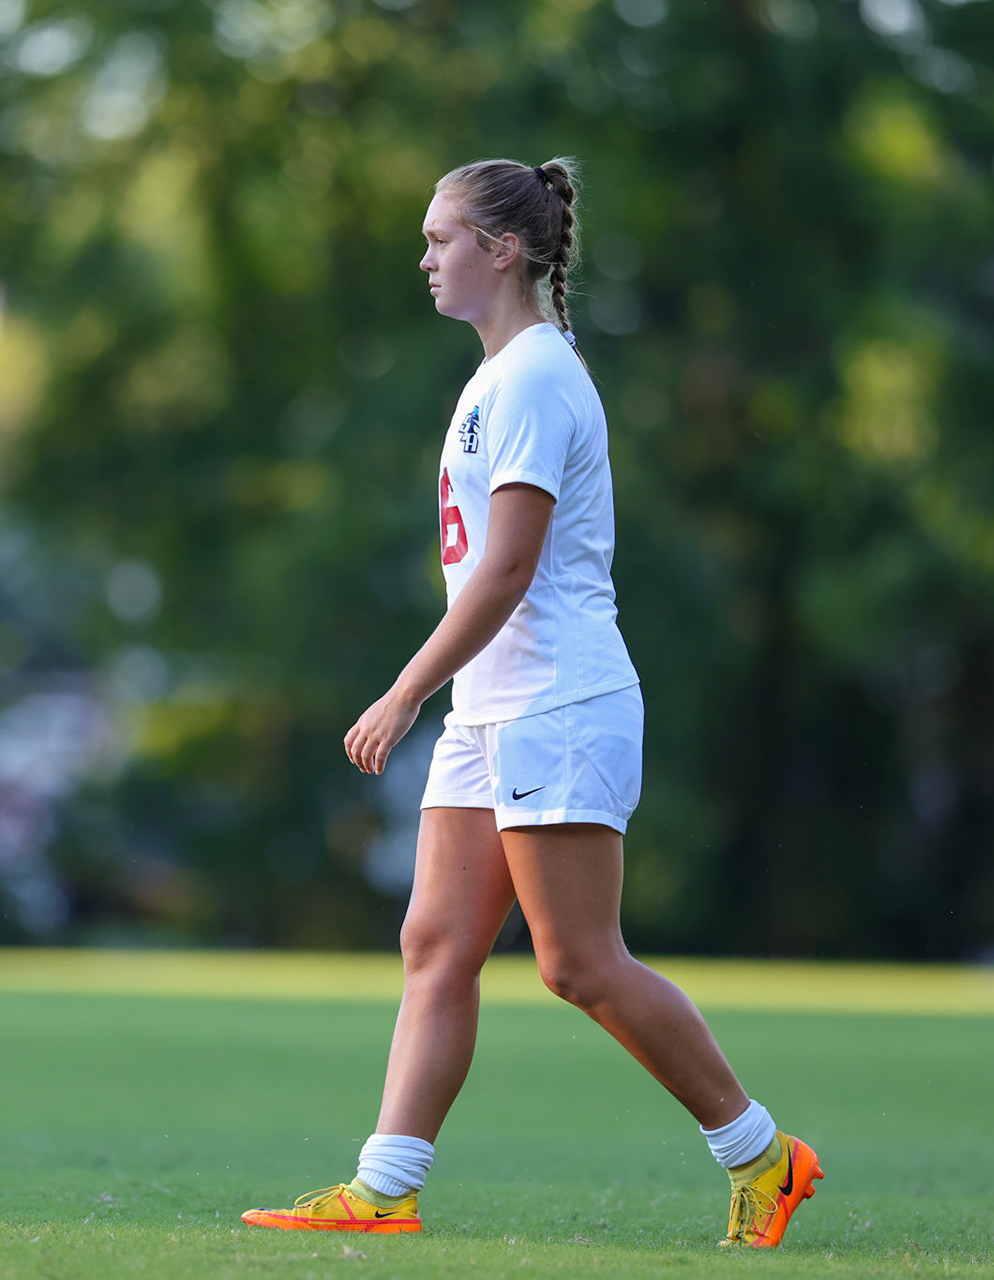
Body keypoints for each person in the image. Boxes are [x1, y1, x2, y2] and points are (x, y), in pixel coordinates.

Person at [240, 158, 821, 1248]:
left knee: (577, 962)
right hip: (491, 708)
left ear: (502, 249)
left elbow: (507, 570)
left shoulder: (537, 377)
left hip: (558, 701)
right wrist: (447, 696)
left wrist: (404, 687)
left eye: (441, 238)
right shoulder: (497, 376)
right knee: (436, 941)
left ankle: (764, 1153)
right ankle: (384, 1188)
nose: (424, 258)